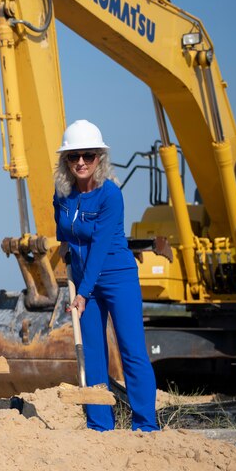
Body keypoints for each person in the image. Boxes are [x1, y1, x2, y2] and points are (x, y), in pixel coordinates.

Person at [54, 120, 158, 432]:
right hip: (85, 282)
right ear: (66, 161)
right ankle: (99, 424)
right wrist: (67, 262)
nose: (81, 162)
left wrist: (82, 294)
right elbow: (63, 233)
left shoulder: (110, 195)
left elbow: (99, 247)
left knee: (132, 350)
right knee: (93, 354)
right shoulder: (63, 194)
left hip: (117, 278)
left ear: (100, 158)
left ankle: (146, 424)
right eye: (74, 157)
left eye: (88, 155)